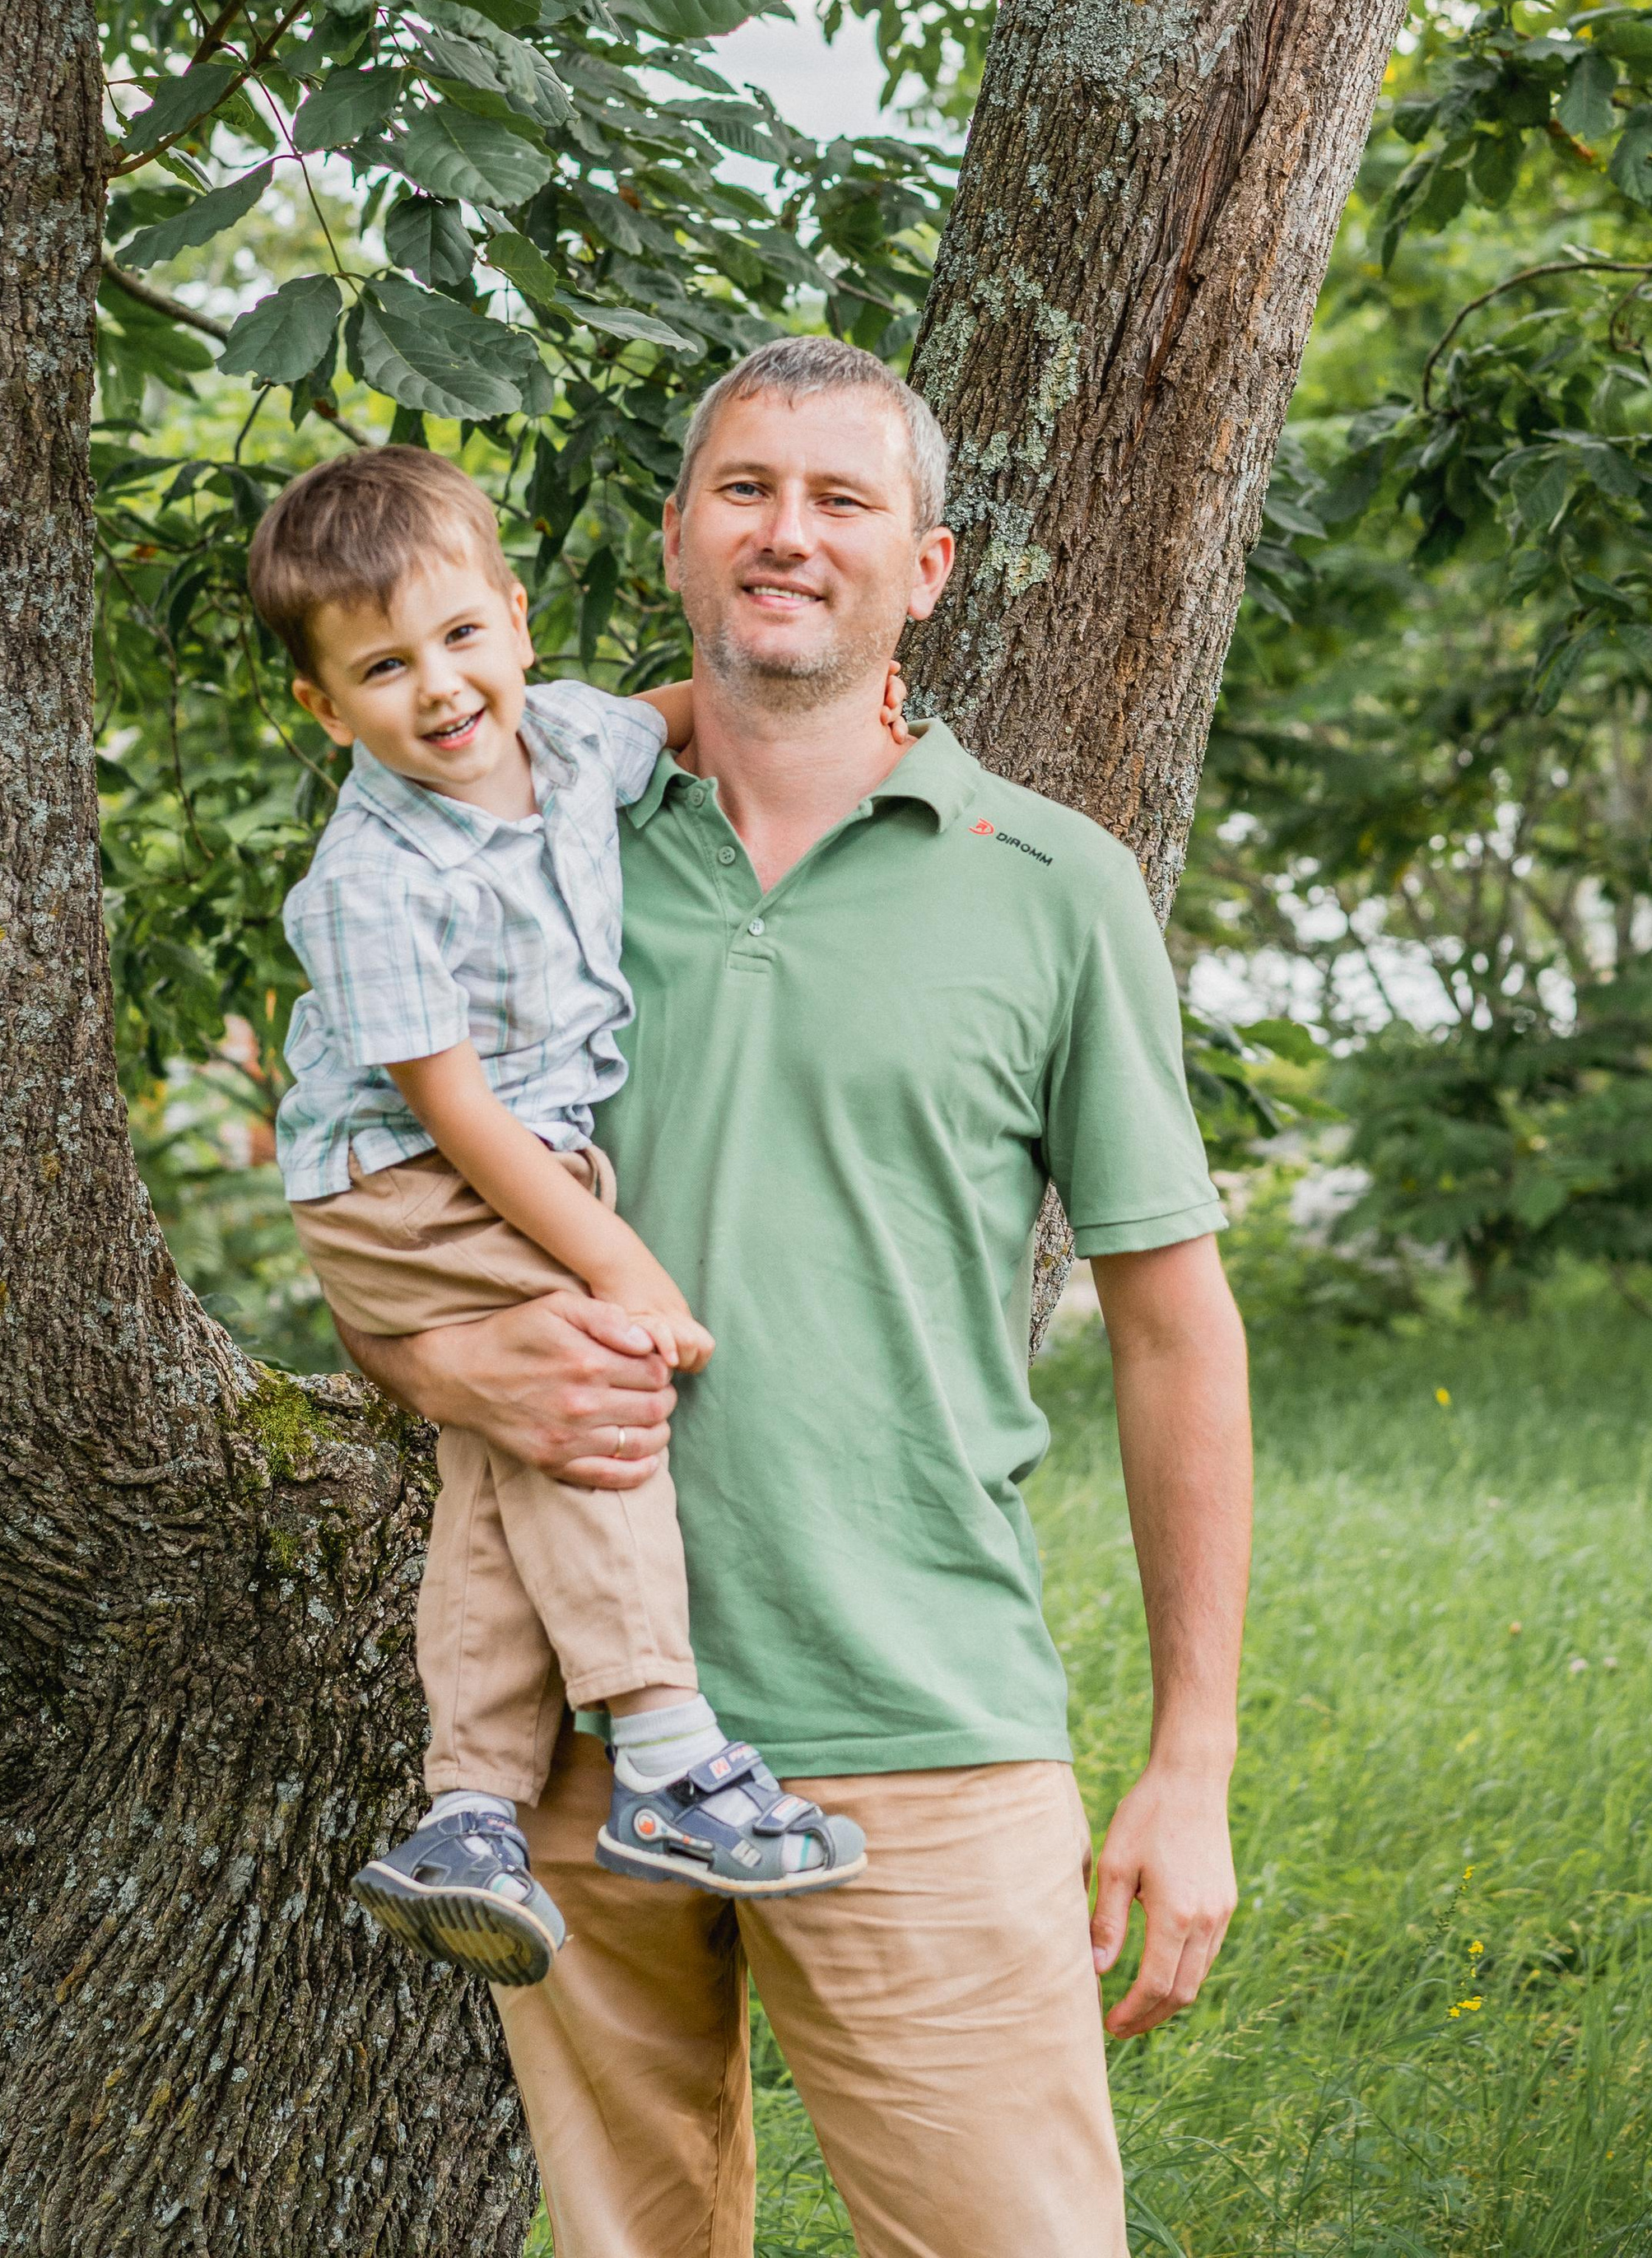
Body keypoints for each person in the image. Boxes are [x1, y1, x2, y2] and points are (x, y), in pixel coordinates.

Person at [350, 336, 1254, 2258]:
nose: (787, 533)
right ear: (676, 536)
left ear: (923, 566)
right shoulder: (506, 850)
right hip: (579, 1755)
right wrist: (446, 1363)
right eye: (745, 489)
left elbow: (1174, 1327)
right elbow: (370, 1215)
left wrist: (1190, 1766)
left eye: (843, 500)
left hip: (918, 1713)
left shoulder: (1051, 884)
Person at [247, 445, 873, 1992]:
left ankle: (468, 1808)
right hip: (407, 1180)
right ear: (329, 710)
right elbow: (453, 1111)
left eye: (463, 639)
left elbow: (672, 718)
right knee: (597, 1384)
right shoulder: (366, 881)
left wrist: (850, 723)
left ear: (519, 624)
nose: (441, 690)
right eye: (384, 670)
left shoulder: (570, 739)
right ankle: (665, 1747)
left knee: (507, 1444)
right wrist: (618, 1260)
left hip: (502, 1157)